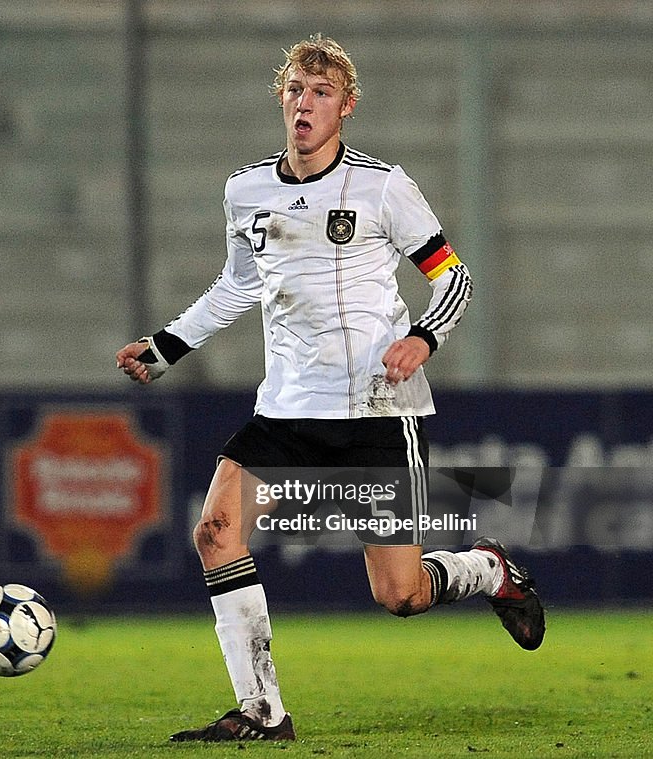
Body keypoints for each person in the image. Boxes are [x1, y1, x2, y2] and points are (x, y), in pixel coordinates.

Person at [115, 34, 545, 742]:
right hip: (287, 407)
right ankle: (262, 709)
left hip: (376, 407)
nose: (304, 104)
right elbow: (240, 284)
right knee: (216, 531)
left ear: (346, 106)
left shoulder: (381, 186)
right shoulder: (245, 189)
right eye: (294, 91)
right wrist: (166, 346)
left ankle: (486, 567)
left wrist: (422, 338)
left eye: (320, 93)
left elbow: (453, 276)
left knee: (400, 595)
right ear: (281, 101)